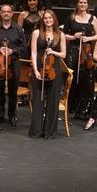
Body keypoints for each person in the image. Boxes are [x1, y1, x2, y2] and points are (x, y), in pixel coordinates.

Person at [29, 9, 67, 139]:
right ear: (42, 20)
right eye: (45, 18)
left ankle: (49, 131)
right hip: (39, 68)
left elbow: (63, 54)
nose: (48, 20)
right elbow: (33, 52)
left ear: (54, 20)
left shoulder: (60, 34)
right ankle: (37, 130)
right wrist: (35, 70)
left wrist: (53, 52)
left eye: (50, 18)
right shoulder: (36, 33)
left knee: (53, 100)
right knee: (38, 100)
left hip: (54, 69)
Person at [63, 0, 97, 119]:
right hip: (73, 51)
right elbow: (63, 35)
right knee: (73, 79)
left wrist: (88, 38)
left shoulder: (93, 18)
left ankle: (84, 109)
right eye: (80, 2)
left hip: (87, 51)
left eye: (85, 3)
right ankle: (72, 107)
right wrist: (74, 36)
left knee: (87, 80)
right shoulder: (71, 18)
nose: (83, 5)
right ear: (77, 4)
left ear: (87, 5)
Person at [0, 4, 26, 126]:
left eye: (8, 11)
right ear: (1, 14)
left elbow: (23, 47)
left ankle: (12, 115)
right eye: (3, 12)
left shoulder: (18, 29)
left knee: (13, 90)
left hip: (14, 62)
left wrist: (13, 51)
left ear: (12, 13)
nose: (6, 13)